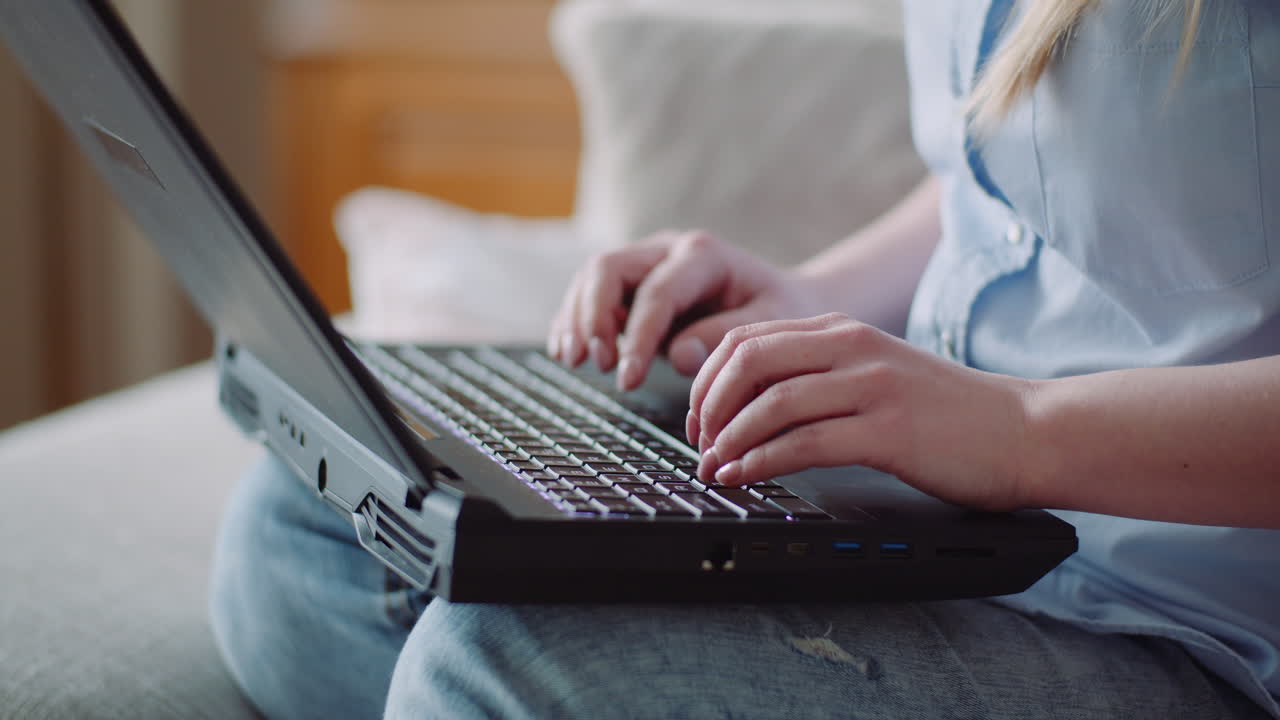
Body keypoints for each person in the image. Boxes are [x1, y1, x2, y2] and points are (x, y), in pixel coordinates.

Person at [210, 0, 1280, 717]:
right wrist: (811, 297)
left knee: (490, 664)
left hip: (1180, 622)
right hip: (950, 509)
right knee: (306, 533)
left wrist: (1020, 433)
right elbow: (1000, 183)